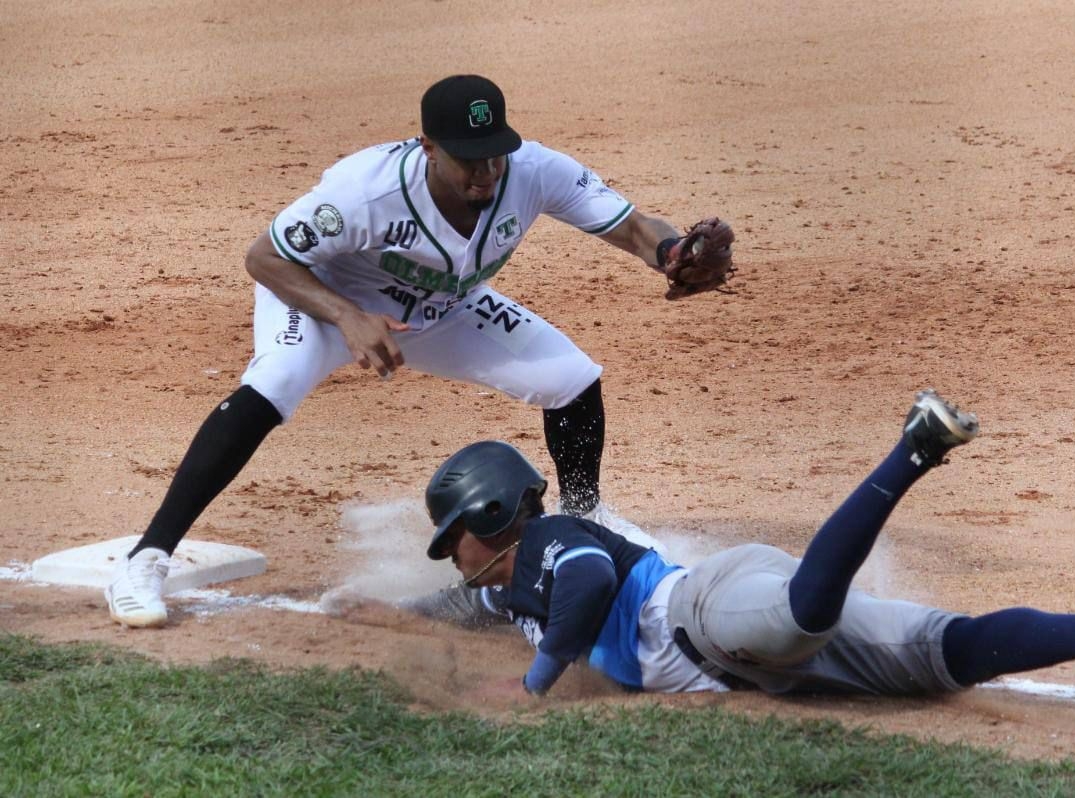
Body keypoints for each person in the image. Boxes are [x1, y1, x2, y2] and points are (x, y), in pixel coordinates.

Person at [106, 74, 721, 628]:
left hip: (440, 308)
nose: (485, 174)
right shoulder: (364, 190)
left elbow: (636, 226)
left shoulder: (532, 171)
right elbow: (265, 258)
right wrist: (347, 317)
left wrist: (674, 254)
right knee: (277, 381)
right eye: (467, 160)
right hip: (323, 297)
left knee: (570, 377)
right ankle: (147, 558)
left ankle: (587, 517)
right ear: (427, 146)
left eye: (494, 157)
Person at [402, 389, 1075, 739]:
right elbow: (465, 609)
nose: (452, 558)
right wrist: (375, 612)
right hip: (748, 657)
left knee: (795, 618)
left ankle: (913, 449)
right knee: (950, 653)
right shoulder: (510, 590)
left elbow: (591, 584)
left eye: (452, 541)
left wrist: (536, 686)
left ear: (494, 519)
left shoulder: (549, 545)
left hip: (702, 613)